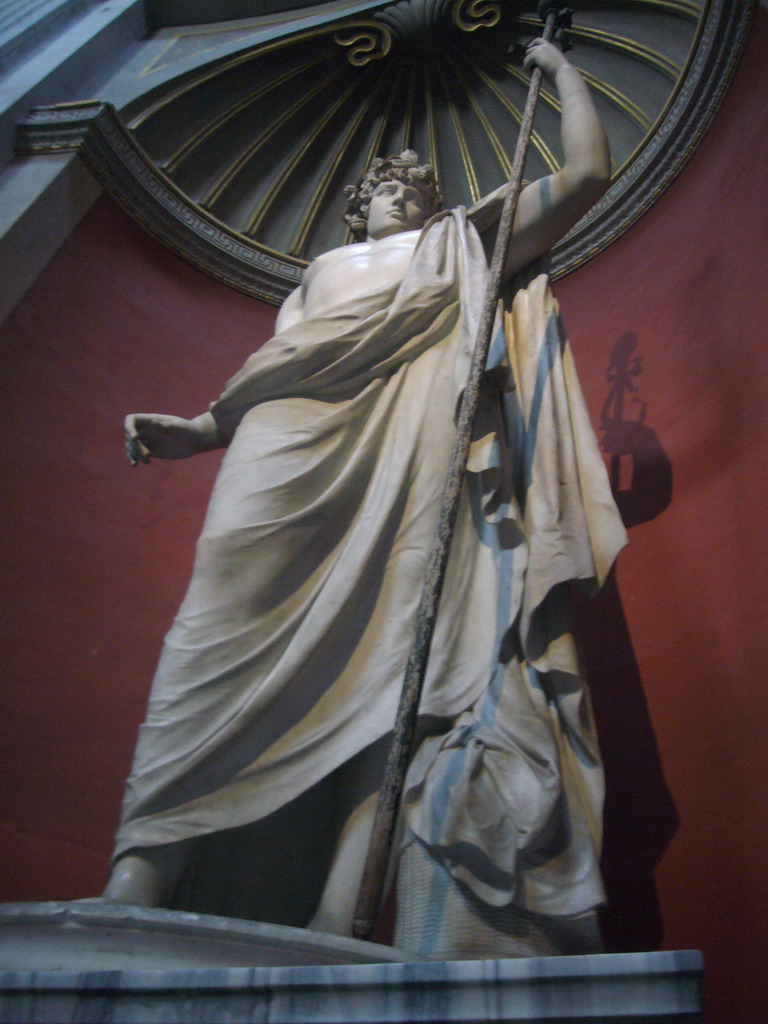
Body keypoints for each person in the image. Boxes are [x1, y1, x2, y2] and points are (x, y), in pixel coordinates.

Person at [102, 39, 626, 957]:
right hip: (290, 438)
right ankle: (140, 872)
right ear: (356, 205)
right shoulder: (316, 275)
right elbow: (274, 367)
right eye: (385, 184)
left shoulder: (463, 243)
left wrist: (559, 70)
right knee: (213, 632)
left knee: (392, 669)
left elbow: (586, 172)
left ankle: (339, 911)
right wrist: (200, 428)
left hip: (412, 436)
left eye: (414, 184)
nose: (401, 190)